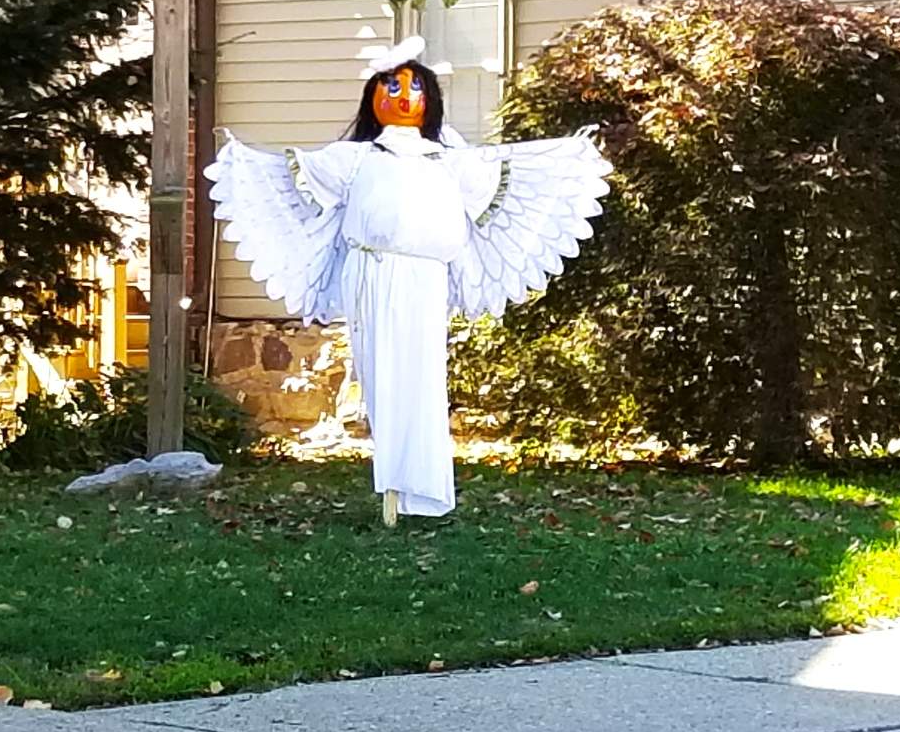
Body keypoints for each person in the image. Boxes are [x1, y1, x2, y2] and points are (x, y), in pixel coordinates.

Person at [204, 36, 610, 524]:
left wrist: (569, 154)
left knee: (423, 378)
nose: (402, 95)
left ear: (429, 99)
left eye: (413, 86)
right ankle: (393, 485)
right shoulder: (356, 158)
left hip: (425, 277)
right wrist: (241, 157)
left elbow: (509, 169)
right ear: (373, 96)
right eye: (390, 85)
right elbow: (290, 173)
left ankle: (424, 487)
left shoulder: (450, 160)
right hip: (372, 273)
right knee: (383, 375)